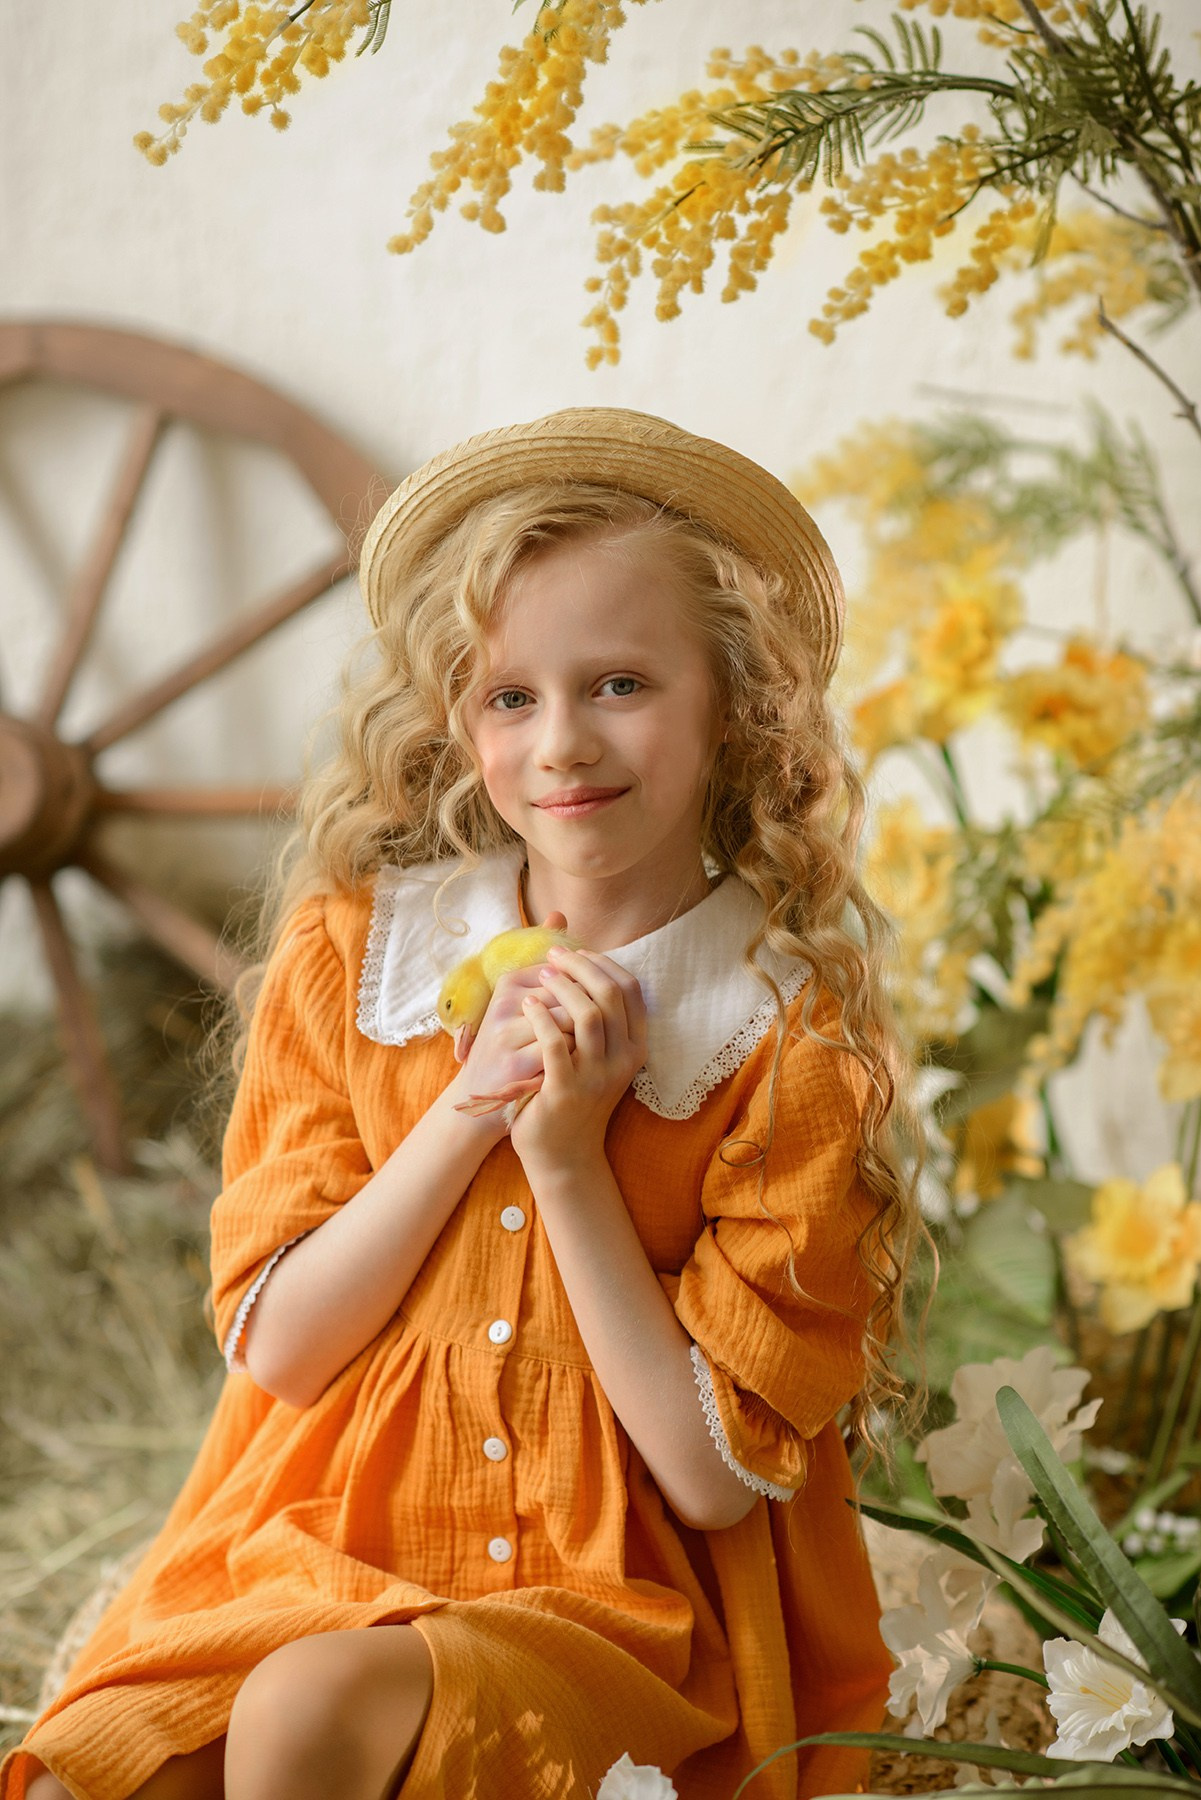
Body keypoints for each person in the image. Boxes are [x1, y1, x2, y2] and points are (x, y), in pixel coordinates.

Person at [7, 407, 921, 1800]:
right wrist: (470, 1110)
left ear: (735, 704)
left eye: (620, 684)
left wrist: (567, 1161)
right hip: (308, 1545)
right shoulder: (353, 955)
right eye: (510, 697)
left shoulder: (778, 1037)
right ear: (455, 716)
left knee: (309, 1714)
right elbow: (285, 1353)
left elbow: (709, 1480)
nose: (561, 744)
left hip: (605, 1606)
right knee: (102, 1779)